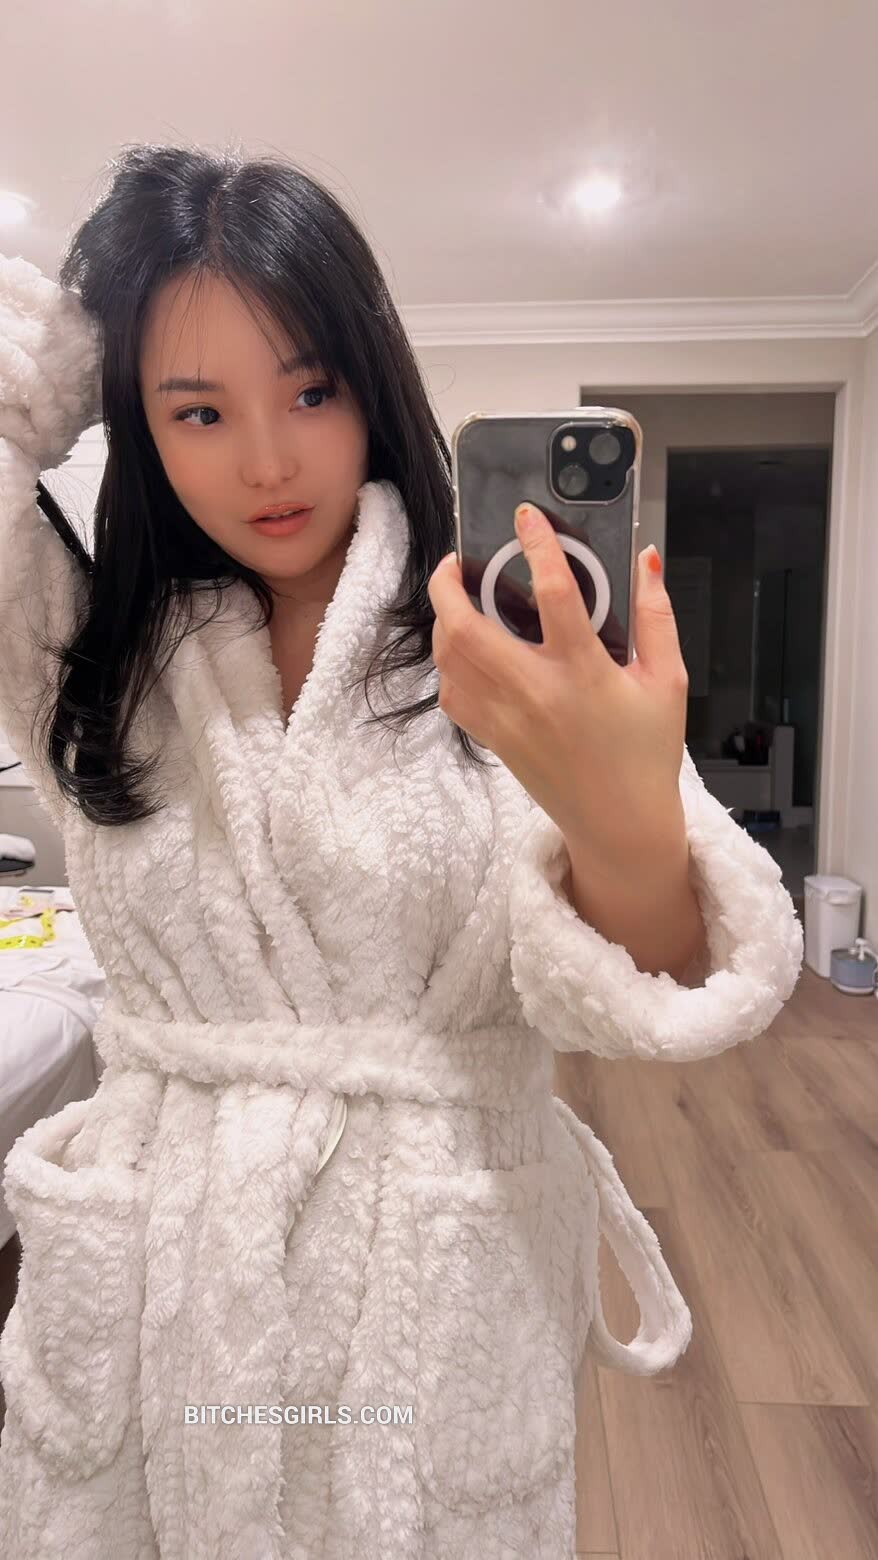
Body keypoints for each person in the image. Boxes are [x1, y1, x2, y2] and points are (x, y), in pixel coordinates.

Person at [0, 144, 803, 1560]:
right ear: (137, 420)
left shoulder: (495, 630)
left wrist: (620, 803)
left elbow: (662, 977)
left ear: (373, 382)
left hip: (426, 1291)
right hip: (156, 1295)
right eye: (197, 410)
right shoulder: (93, 646)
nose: (266, 459)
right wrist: (41, 373)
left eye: (310, 390)